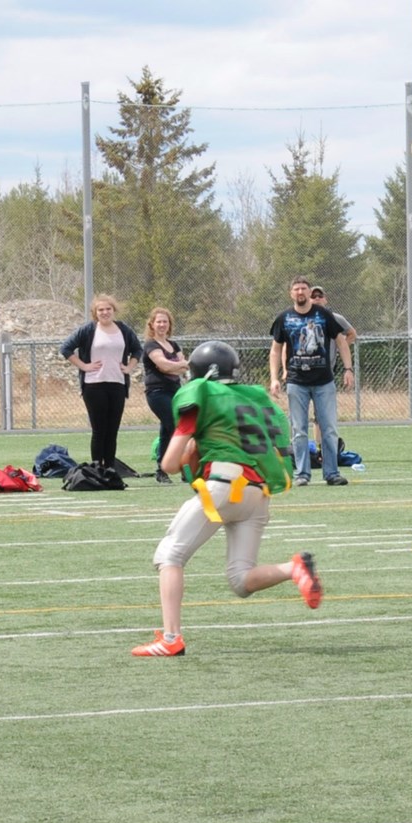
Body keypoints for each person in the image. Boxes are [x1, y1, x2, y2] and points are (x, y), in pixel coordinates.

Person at [131, 341, 323, 657]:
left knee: (169, 555)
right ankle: (294, 568)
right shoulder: (252, 397)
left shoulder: (203, 396)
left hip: (223, 485)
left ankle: (171, 638)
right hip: (257, 493)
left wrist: (191, 450)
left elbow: (169, 464)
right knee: (240, 579)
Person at [269, 276, 353, 486]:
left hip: (324, 381)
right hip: (297, 382)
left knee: (329, 428)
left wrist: (348, 369)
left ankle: (331, 473)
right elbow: (276, 349)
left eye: (303, 288)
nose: (300, 292)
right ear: (291, 293)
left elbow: (341, 341)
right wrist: (274, 378)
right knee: (299, 430)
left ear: (308, 292)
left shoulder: (323, 315)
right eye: (296, 289)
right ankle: (302, 474)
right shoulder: (284, 318)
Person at [60, 293, 143, 475]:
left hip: (117, 384)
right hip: (94, 385)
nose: (105, 312)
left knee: (112, 430)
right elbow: (65, 348)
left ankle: (110, 469)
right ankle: (97, 469)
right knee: (99, 430)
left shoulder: (123, 330)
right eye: (101, 310)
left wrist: (129, 367)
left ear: (114, 310)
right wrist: (84, 366)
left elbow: (138, 350)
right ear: (95, 313)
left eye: (108, 309)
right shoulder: (88, 330)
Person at [309, 285, 357, 466]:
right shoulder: (302, 319)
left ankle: (324, 449)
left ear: (325, 299)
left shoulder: (335, 318)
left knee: (322, 413)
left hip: (325, 372)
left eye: (320, 296)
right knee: (307, 415)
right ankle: (314, 448)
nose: (317, 299)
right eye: (313, 296)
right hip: (304, 372)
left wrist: (339, 348)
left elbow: (351, 333)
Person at [141, 306, 189, 485]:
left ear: (169, 324)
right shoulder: (150, 345)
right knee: (176, 427)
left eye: (165, 322)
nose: (162, 325)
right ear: (152, 324)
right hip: (157, 393)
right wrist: (177, 365)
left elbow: (182, 368)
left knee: (166, 431)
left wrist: (175, 366)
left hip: (175, 391)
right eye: (158, 321)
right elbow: (164, 365)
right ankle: (183, 468)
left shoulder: (173, 345)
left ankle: (162, 471)